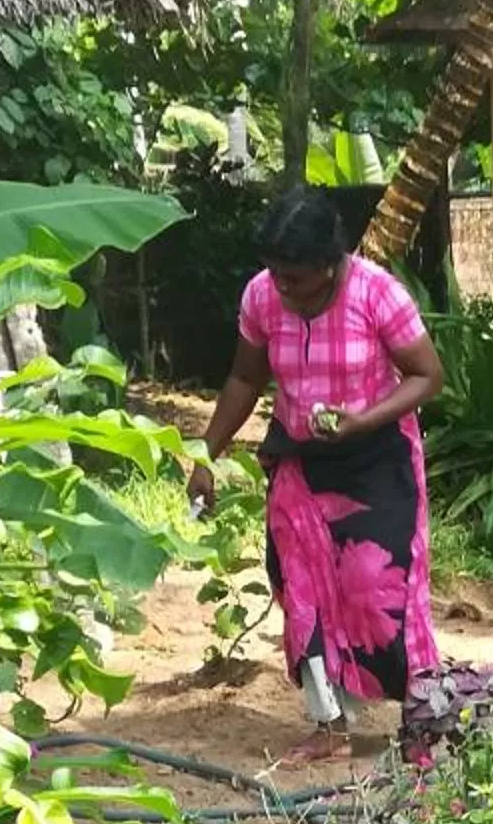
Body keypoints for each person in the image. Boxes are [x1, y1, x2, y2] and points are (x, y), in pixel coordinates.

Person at [187, 191, 445, 759]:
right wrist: (205, 456)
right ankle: (329, 727)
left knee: (383, 587)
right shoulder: (261, 296)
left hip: (377, 454)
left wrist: (361, 421)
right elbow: (243, 381)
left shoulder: (378, 293)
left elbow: (427, 376)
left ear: (331, 265)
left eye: (297, 279)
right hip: (300, 455)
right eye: (277, 275)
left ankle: (421, 722)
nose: (283, 288)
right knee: (301, 588)